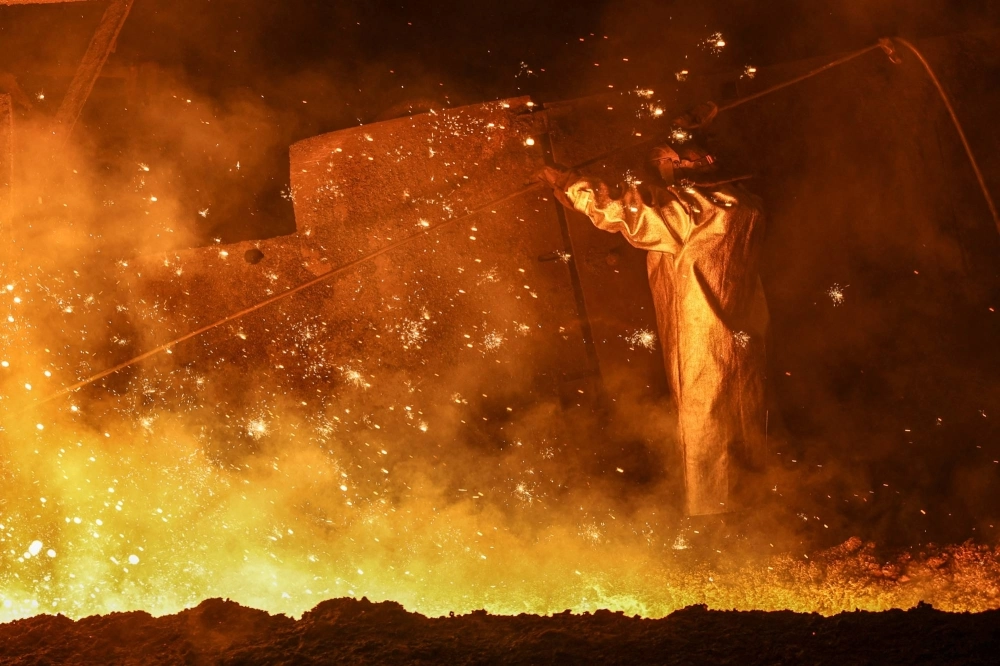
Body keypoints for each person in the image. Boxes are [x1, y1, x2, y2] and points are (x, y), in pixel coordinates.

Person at [537, 103, 769, 515]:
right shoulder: (743, 202)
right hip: (743, 336)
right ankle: (761, 506)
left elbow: (629, 212)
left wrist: (572, 184)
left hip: (705, 340)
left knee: (707, 421)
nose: (661, 175)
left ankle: (719, 517)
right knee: (745, 416)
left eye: (663, 165)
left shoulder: (695, 211)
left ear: (686, 165)